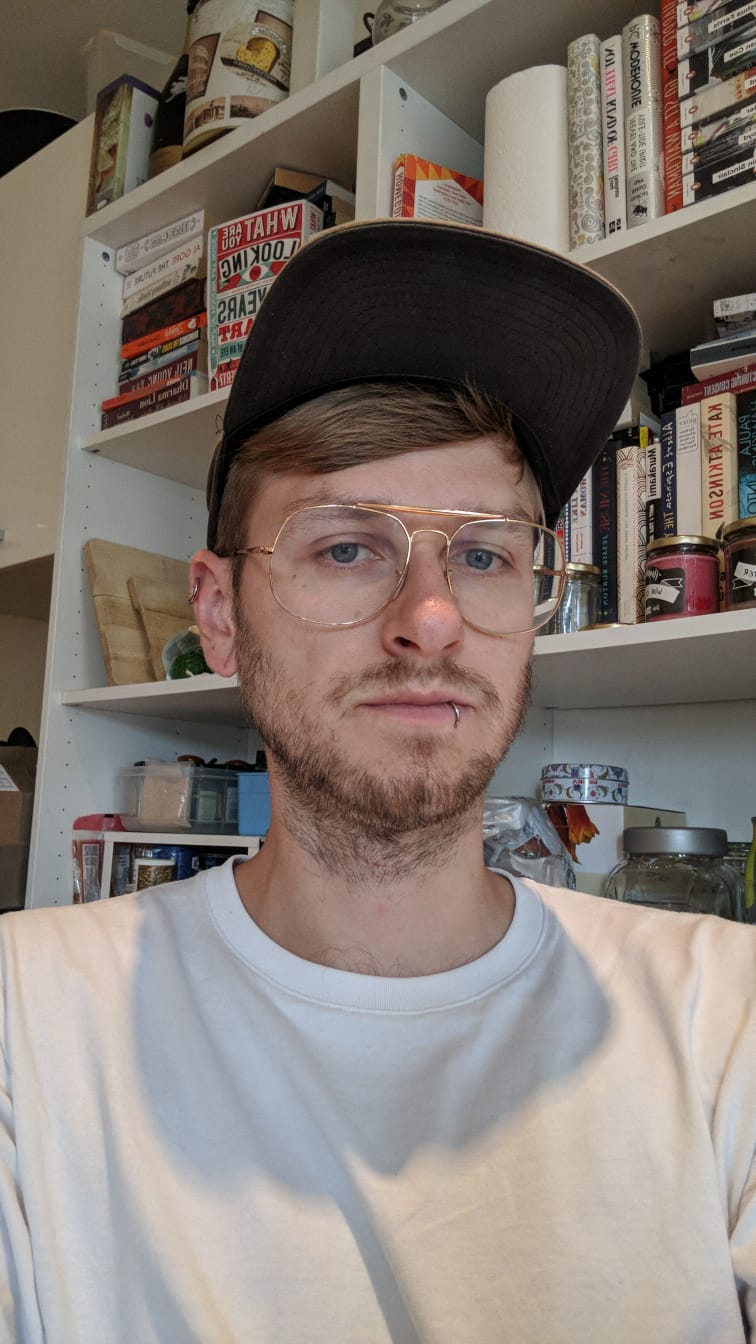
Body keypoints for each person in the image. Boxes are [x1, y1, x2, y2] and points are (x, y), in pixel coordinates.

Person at [0, 219, 754, 1344]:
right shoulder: (28, 1020)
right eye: (346, 547)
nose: (432, 619)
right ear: (219, 613)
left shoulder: (726, 1014)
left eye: (485, 554)